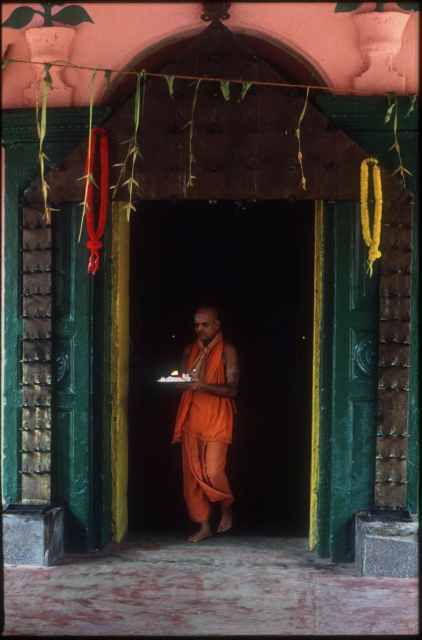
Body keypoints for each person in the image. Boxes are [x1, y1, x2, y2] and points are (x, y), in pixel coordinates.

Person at [172, 306, 239, 543]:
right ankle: (203, 525)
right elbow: (181, 381)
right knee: (191, 476)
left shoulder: (227, 351)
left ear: (217, 325)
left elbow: (232, 389)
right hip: (192, 417)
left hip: (218, 418)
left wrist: (203, 387)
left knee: (213, 471)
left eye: (205, 324)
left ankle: (226, 507)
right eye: (197, 325)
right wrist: (179, 382)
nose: (200, 329)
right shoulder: (189, 350)